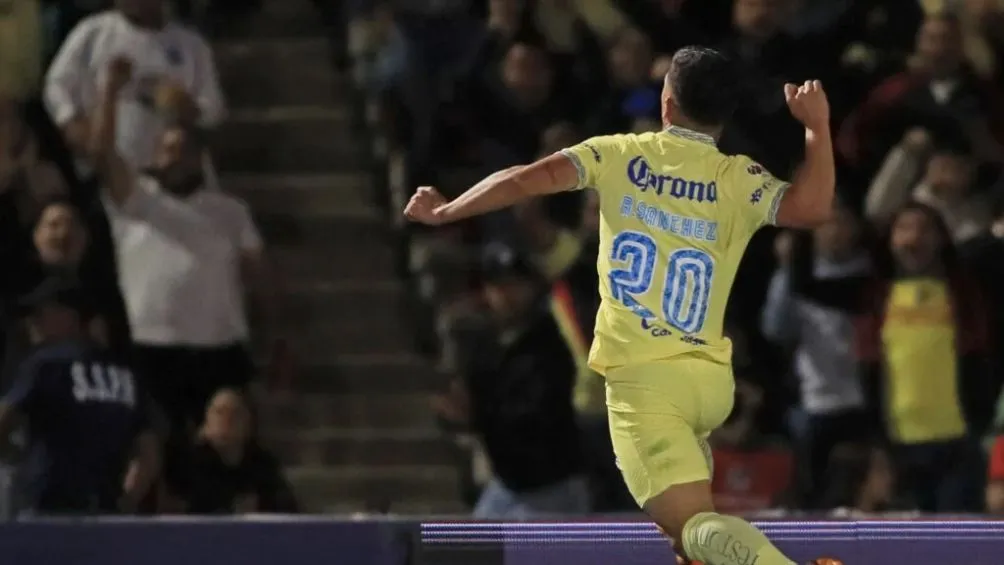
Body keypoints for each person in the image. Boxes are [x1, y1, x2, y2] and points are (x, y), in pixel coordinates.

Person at [405, 46, 837, 565]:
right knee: (693, 546)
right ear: (724, 114)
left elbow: (520, 179)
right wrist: (816, 128)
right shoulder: (738, 177)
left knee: (693, 530)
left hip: (645, 384)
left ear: (667, 104)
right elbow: (813, 207)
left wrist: (449, 209)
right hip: (708, 380)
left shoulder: (619, 155)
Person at [0, 278, 158, 515]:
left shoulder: (46, 364)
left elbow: (3, 421)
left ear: (70, 317)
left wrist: (13, 456)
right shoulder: (125, 375)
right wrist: (126, 501)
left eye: (39, 314)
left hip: (44, 507)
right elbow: (148, 453)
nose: (31, 323)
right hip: (104, 512)